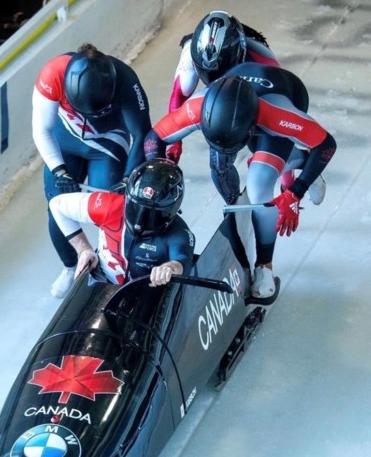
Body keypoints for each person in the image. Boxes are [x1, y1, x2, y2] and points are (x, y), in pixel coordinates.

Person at [143, 64, 337, 300]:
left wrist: (296, 192)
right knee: (219, 166)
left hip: (282, 97)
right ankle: (302, 163)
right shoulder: (196, 107)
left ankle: (264, 266)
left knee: (258, 183)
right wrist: (157, 172)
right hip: (231, 116)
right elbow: (154, 138)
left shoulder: (278, 115)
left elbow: (326, 144)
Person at [163, 10, 325, 206]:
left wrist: (289, 188)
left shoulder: (264, 62)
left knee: (264, 151)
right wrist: (174, 143)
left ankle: (300, 165)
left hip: (253, 95)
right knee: (218, 163)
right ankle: (235, 206)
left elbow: (282, 135)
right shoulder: (190, 54)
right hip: (221, 99)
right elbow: (179, 94)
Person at [32, 43, 153, 297]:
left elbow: (141, 133)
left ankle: (109, 265)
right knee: (57, 207)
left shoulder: (126, 80)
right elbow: (41, 129)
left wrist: (128, 176)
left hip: (106, 143)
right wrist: (59, 170)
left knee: (109, 208)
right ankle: (72, 264)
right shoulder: (52, 74)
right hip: (64, 142)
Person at [48, 159, 195, 290]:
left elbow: (183, 261)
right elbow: (57, 205)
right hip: (102, 286)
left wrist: (170, 268)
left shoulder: (179, 233)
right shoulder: (109, 206)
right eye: (136, 208)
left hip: (147, 295)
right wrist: (83, 249)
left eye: (151, 214)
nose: (139, 221)